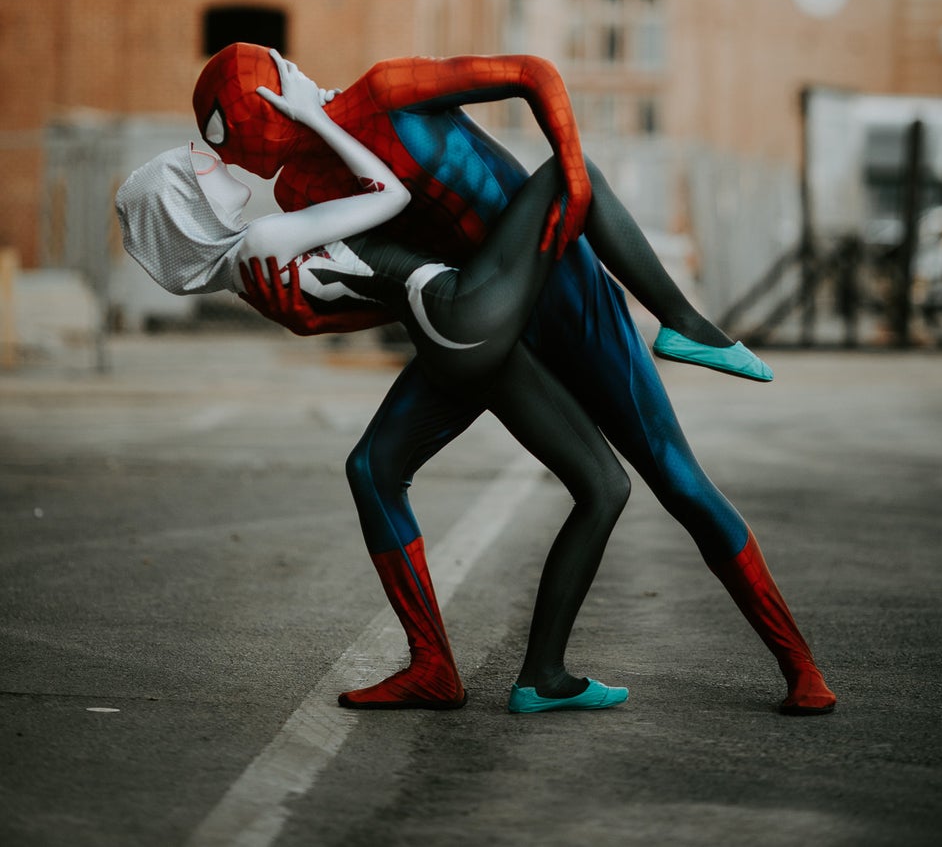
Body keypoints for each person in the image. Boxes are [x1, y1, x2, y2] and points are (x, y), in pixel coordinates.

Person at [195, 45, 837, 717]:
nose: (257, 160)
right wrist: (303, 319)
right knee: (375, 467)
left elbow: (532, 73)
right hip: (476, 325)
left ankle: (796, 663)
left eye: (247, 143)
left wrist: (575, 184)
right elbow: (384, 290)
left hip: (556, 290)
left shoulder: (389, 92)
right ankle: (437, 668)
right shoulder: (302, 191)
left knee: (671, 481)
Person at [117, 57, 632, 714]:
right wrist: (312, 117)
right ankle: (684, 322)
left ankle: (455, 668)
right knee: (566, 170)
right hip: (462, 315)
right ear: (187, 209)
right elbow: (388, 194)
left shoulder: (248, 272)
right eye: (195, 169)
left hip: (450, 328)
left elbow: (358, 297)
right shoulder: (260, 242)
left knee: (373, 468)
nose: (209, 158)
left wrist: (314, 326)